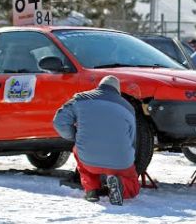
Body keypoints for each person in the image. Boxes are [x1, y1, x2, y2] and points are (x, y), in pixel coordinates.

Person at [53, 75, 139, 205]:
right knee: (132, 184)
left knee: (79, 151)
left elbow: (59, 121)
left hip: (89, 160)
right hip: (120, 162)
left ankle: (91, 190)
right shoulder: (128, 107)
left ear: (99, 86)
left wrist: (74, 137)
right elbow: (132, 137)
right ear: (117, 91)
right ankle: (122, 185)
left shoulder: (80, 99)